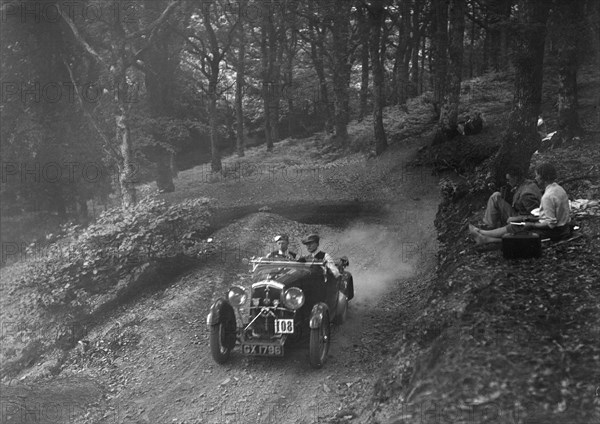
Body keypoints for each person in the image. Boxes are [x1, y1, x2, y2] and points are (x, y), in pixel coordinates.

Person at [469, 162, 571, 244]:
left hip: (555, 231)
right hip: (561, 228)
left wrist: (530, 223)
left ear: (544, 177)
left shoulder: (546, 196)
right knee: (518, 224)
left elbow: (549, 222)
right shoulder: (558, 189)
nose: (536, 178)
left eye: (537, 176)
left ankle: (484, 235)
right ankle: (485, 235)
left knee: (518, 227)